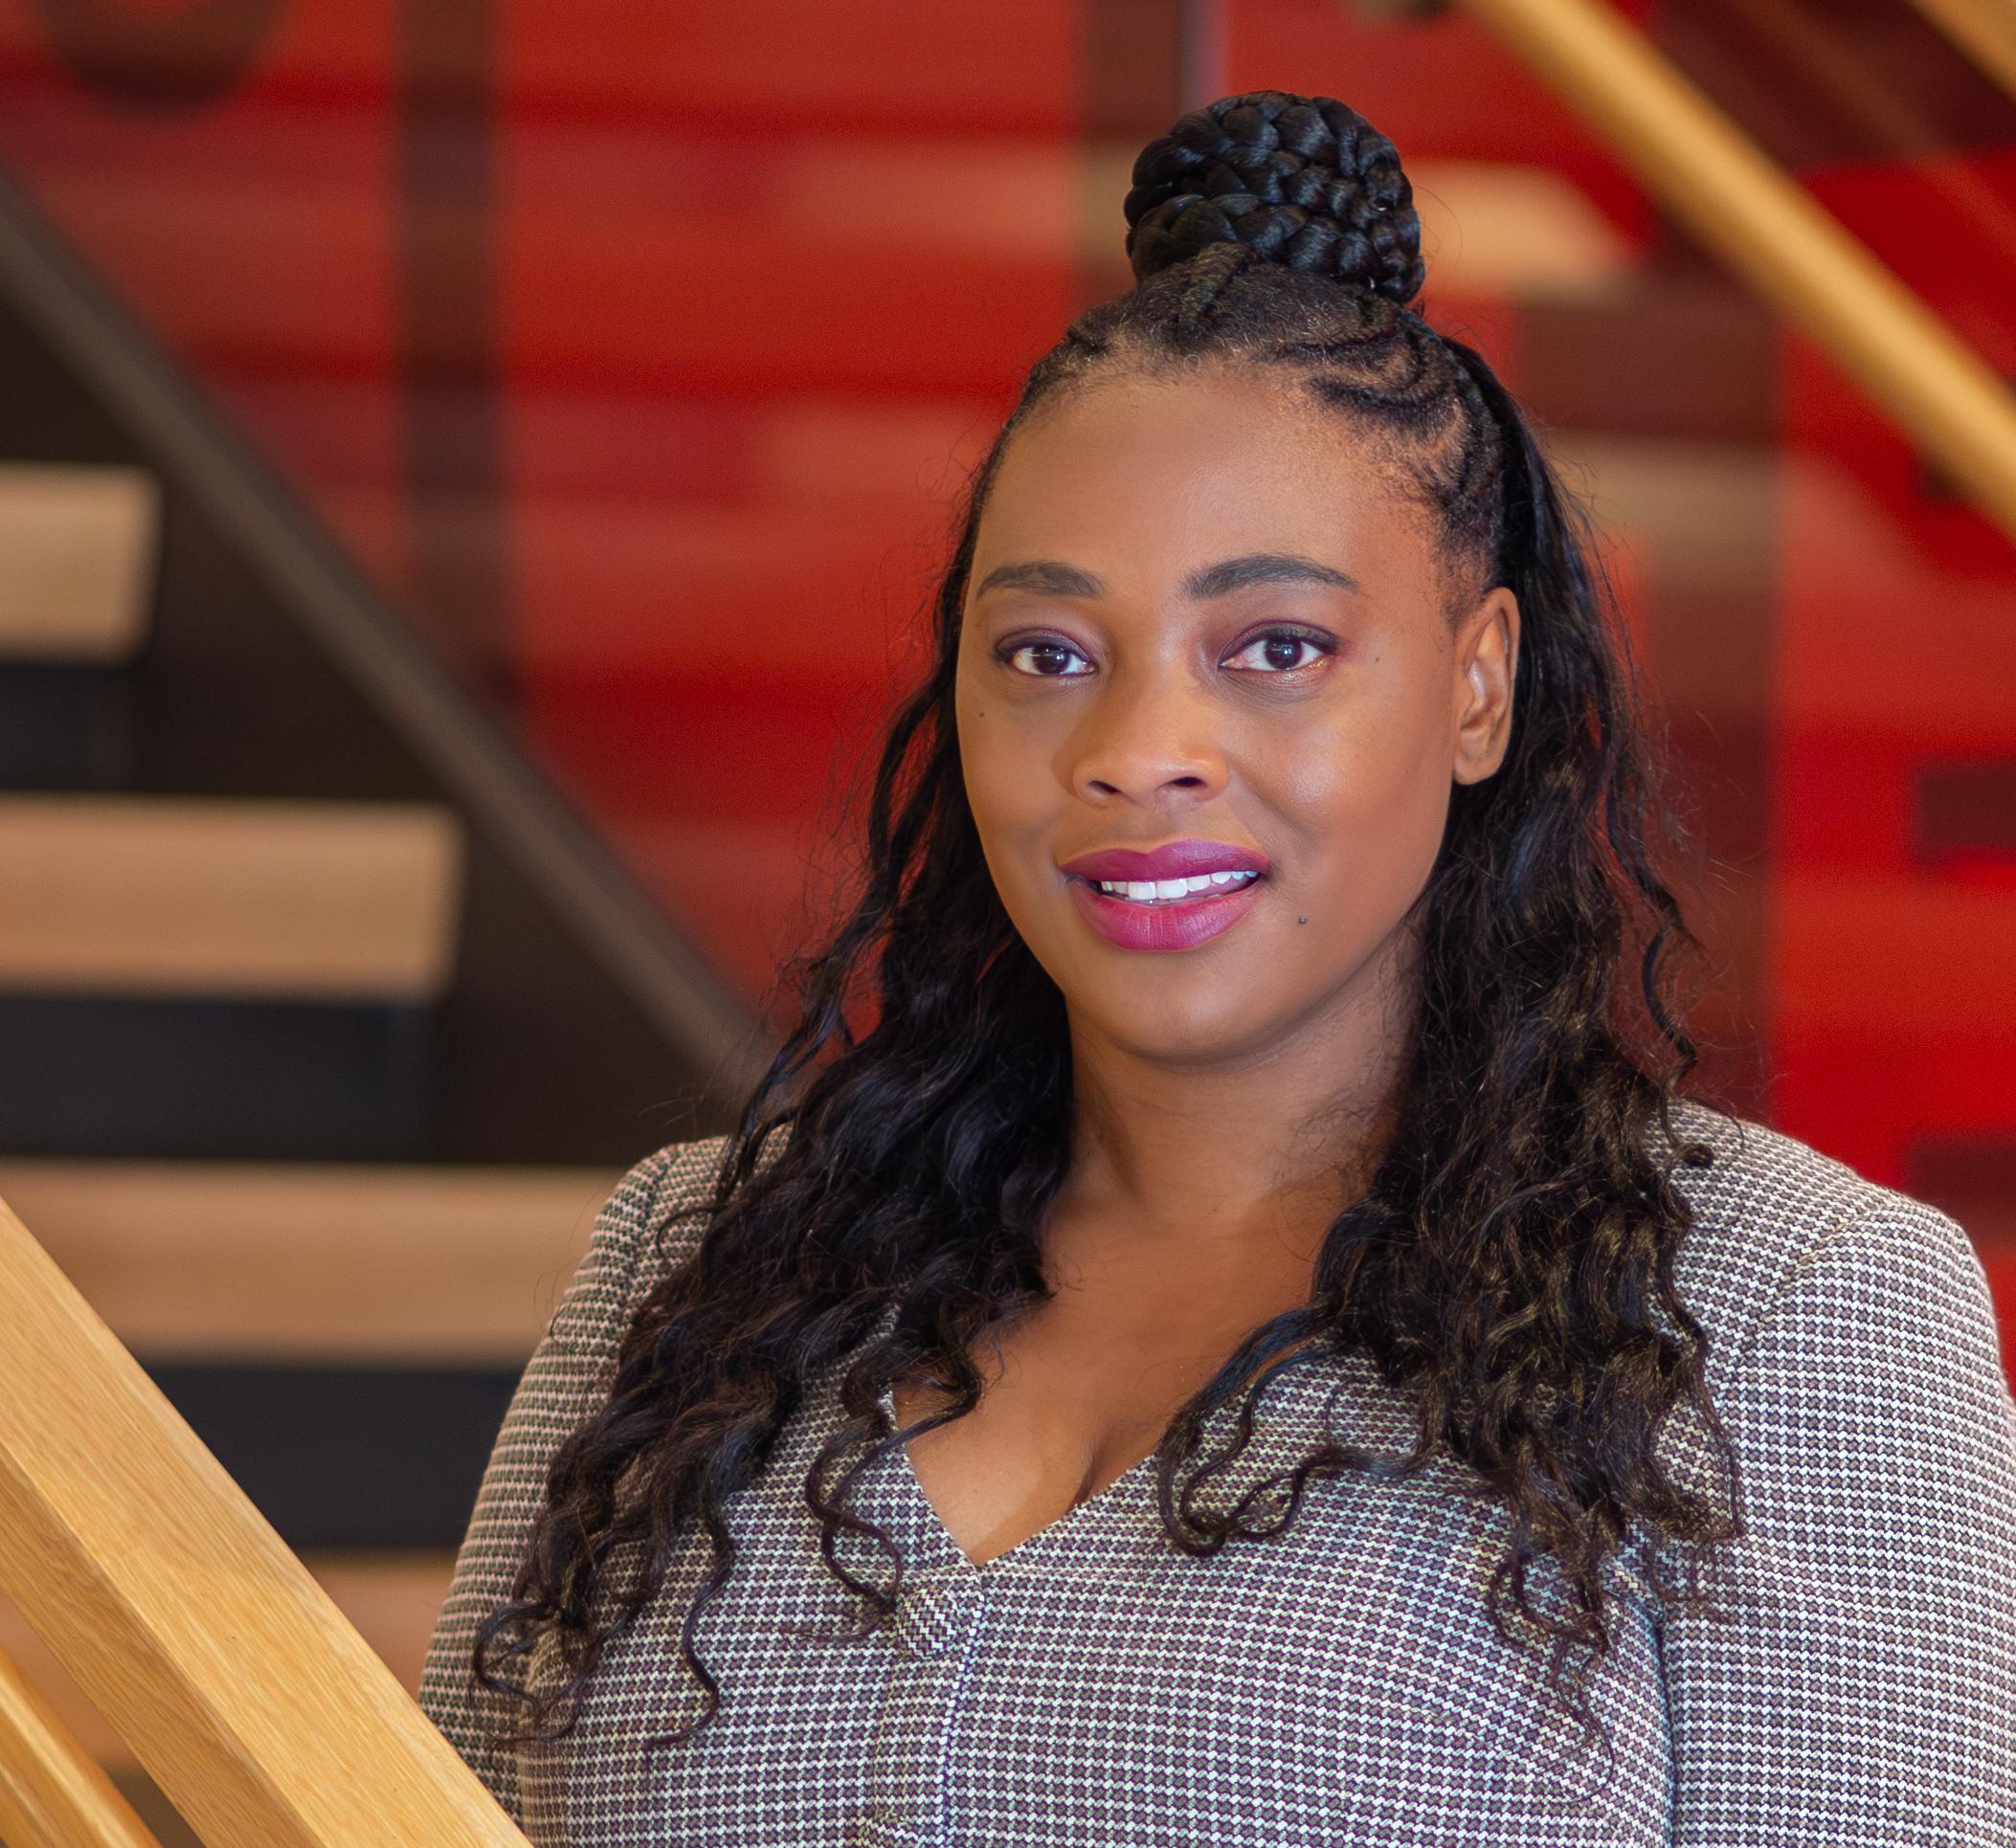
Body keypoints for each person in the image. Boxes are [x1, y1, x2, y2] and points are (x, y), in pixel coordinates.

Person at [418, 89, 2016, 1845]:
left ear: (1477, 683)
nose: (1134, 747)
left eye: (1272, 646)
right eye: (1043, 649)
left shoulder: (1788, 1317)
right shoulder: (701, 1265)